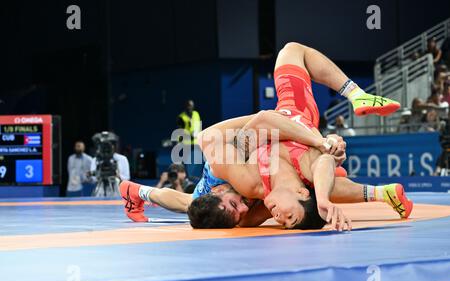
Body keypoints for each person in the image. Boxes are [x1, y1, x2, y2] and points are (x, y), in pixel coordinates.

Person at [119, 42, 409, 231]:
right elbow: (322, 168)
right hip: (290, 133)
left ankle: (136, 190)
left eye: (236, 205)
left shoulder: (241, 180)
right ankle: (379, 191)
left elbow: (257, 123)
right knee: (191, 202)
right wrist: (325, 157)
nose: (245, 207)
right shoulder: (253, 202)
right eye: (286, 220)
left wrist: (319, 141)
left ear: (220, 193)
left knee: (191, 195)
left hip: (249, 143)